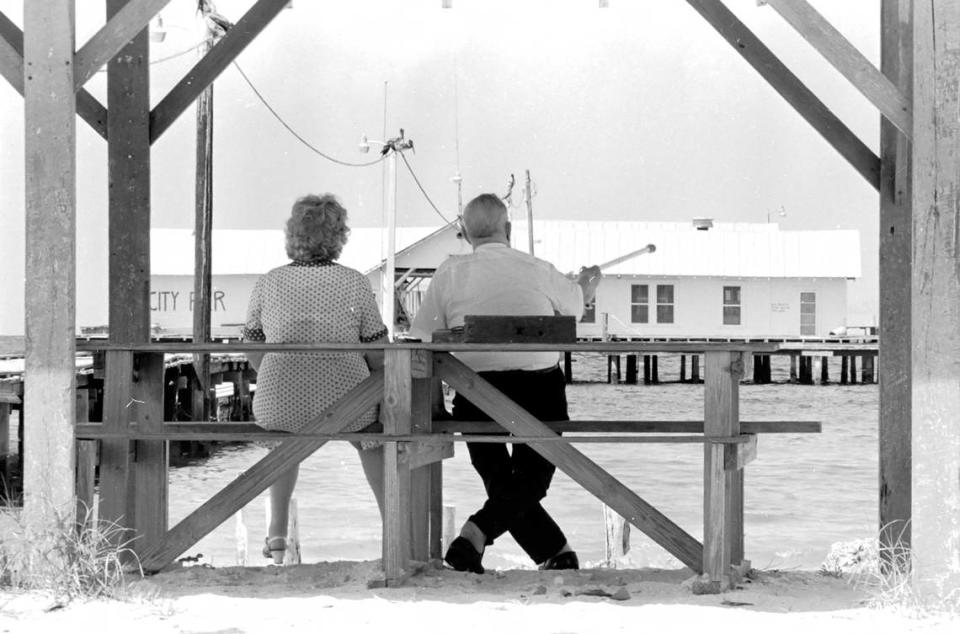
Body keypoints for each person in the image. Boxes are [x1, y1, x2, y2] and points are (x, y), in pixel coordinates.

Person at [409, 193, 601, 573]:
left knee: (499, 476)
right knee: (533, 478)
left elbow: (422, 336)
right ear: (508, 229)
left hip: (476, 392)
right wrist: (585, 286)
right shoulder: (538, 267)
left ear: (464, 233)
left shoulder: (449, 272)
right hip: (540, 393)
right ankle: (538, 550)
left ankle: (495, 539)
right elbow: (575, 309)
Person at [242, 194, 389, 564]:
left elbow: (252, 344)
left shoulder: (268, 281)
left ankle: (277, 538)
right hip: (348, 402)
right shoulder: (355, 282)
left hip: (279, 400)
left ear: (293, 234)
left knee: (284, 444)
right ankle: (393, 526)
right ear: (338, 236)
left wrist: (279, 373)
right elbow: (377, 351)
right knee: (373, 441)